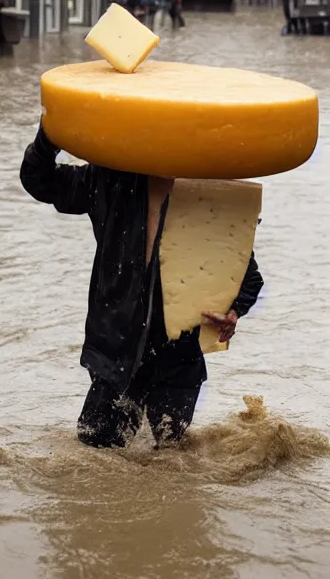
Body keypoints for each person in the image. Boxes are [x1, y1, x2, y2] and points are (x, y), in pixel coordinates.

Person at [19, 123, 264, 449]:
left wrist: (234, 312)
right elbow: (39, 179)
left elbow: (249, 276)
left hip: (178, 363)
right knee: (94, 460)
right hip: (116, 357)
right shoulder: (108, 179)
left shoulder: (206, 200)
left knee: (171, 467)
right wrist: (50, 134)